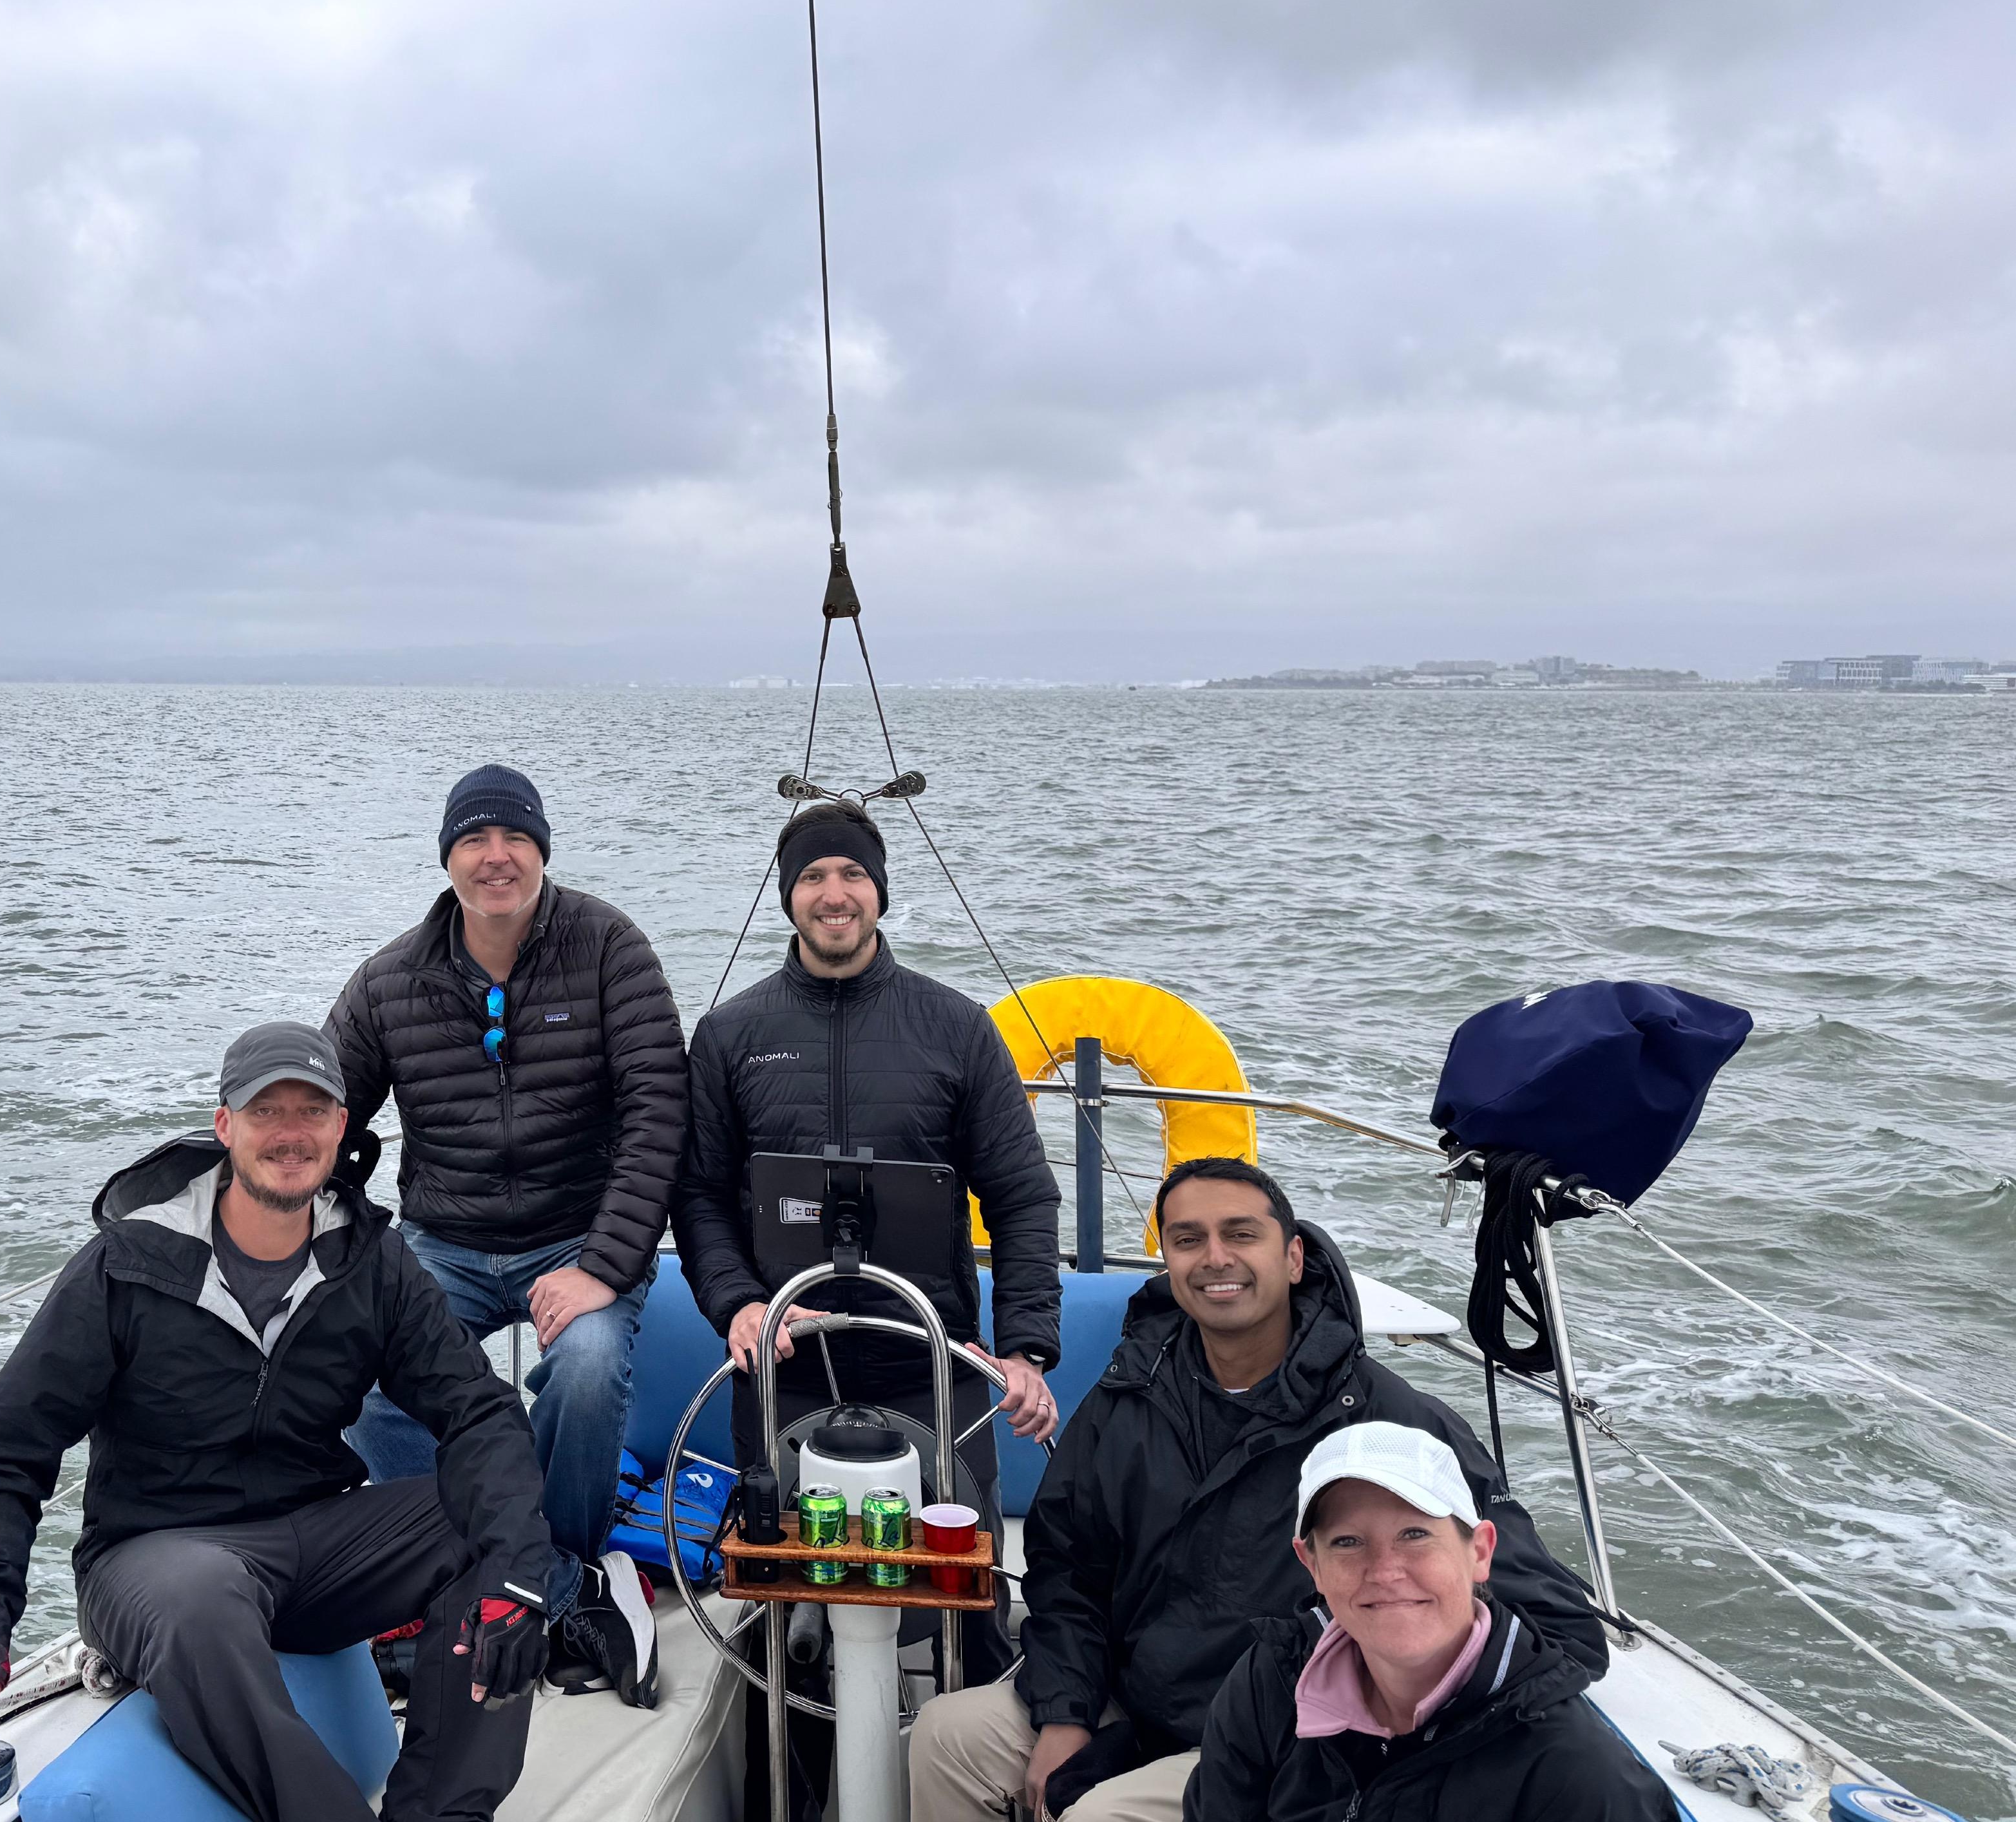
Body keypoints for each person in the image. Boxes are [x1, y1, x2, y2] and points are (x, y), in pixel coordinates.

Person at [0, 1025, 557, 1822]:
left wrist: (517, 1574)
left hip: (313, 1537)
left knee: (492, 1531)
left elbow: (476, 1410)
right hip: (155, 1554)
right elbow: (7, 1449)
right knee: (201, 1593)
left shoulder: (370, 1260)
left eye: (312, 1110)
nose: (290, 1132)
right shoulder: (127, 1264)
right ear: (224, 1125)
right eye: (266, 1109)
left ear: (342, 1127)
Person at [908, 1159, 1608, 1822]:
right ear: (1169, 1263)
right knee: (945, 1736)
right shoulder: (1130, 1394)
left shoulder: (1390, 1420)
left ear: (1293, 1256)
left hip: (1290, 1736)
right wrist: (1066, 1711)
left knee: (1100, 1814)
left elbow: (1558, 1626)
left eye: (1241, 1232)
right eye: (1187, 1239)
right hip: (1132, 1697)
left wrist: (1382, 1752)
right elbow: (1068, 1568)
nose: (1215, 1256)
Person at [674, 799, 1065, 1816]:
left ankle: (982, 1786)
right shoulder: (730, 1033)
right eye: (811, 877)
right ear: (788, 895)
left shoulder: (954, 1029)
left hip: (926, 1364)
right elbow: (701, 1198)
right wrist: (737, 1303)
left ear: (879, 891)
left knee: (969, 1586)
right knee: (775, 1587)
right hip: (783, 1362)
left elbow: (1023, 1196)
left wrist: (1024, 1347)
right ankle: (786, 1793)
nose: (832, 894)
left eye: (850, 875)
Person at [328, 762, 688, 1705]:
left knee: (586, 1359)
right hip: (442, 1240)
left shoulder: (611, 948)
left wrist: (604, 1268)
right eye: (474, 841)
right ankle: (497, 1567)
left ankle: (557, 1560)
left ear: (542, 849)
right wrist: (334, 1244)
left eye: (514, 839)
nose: (496, 859)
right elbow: (324, 1121)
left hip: (580, 1235)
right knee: (360, 1368)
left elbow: (660, 1115)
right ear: (447, 858)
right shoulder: (388, 981)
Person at [1182, 1422, 1680, 1819]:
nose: (1384, 1571)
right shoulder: (1272, 1677)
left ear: (1480, 1552)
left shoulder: (1580, 1779)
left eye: (1414, 1534)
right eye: (1347, 1542)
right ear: (1311, 1565)